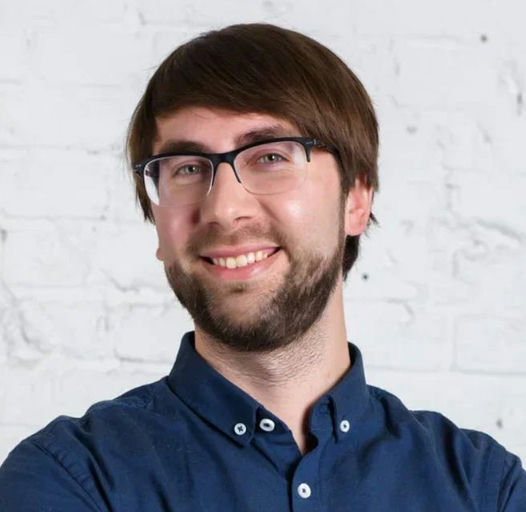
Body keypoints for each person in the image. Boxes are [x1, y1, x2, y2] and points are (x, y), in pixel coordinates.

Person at [0, 23, 524, 511]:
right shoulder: (70, 479)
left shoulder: (485, 488)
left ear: (356, 199)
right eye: (186, 168)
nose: (224, 209)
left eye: (270, 156)